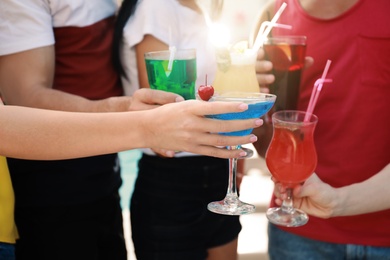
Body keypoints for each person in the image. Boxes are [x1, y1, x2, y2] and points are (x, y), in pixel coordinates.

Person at [0, 1, 261, 259]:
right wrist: (138, 119)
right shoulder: (156, 9)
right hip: (66, 182)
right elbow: (23, 97)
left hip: (115, 173)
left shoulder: (190, 9)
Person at [112, 0, 266, 259]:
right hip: (173, 182)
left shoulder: (202, 10)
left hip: (217, 172)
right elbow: (164, 133)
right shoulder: (156, 7)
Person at [252, 0, 390, 259]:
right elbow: (264, 145)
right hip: (298, 229)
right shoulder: (273, 17)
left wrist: (340, 201)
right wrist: (254, 100)